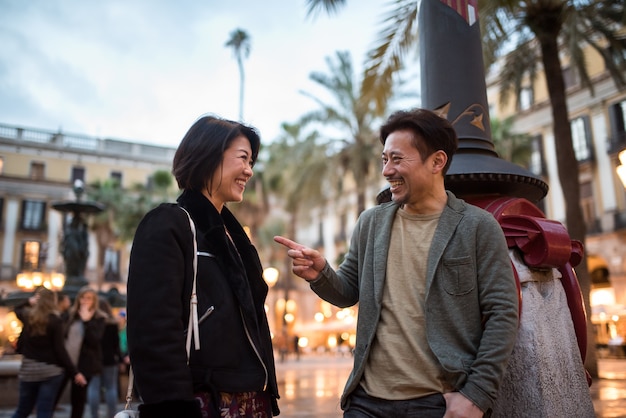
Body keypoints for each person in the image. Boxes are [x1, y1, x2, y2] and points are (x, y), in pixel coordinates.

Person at [274, 108, 519, 417]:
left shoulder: (477, 227)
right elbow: (348, 291)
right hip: (366, 402)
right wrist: (321, 272)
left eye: (398, 159)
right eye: (384, 159)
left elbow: (502, 313)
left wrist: (475, 396)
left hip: (438, 403)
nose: (387, 170)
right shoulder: (371, 223)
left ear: (437, 162)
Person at [127, 115, 280, 418]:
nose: (249, 171)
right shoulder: (169, 224)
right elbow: (154, 330)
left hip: (249, 402)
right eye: (243, 158)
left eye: (252, 161)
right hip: (203, 402)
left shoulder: (234, 238)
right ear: (209, 155)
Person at [12, 287, 87, 418]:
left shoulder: (28, 317)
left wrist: (29, 301)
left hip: (28, 370)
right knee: (44, 411)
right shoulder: (55, 320)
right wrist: (74, 372)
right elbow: (60, 350)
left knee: (22, 410)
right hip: (50, 372)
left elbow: (16, 309)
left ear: (38, 300)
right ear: (53, 301)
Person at [59, 286, 106, 418]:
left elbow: (94, 341)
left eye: (89, 298)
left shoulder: (99, 318)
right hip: (66, 362)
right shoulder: (70, 316)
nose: (85, 301)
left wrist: (87, 322)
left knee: (78, 401)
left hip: (84, 366)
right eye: (83, 298)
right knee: (54, 396)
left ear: (94, 301)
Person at [87, 299, 121, 418]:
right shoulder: (112, 324)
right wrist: (120, 358)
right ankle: (112, 415)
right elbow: (116, 344)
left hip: (94, 360)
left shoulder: (92, 323)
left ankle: (94, 415)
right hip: (110, 359)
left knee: (93, 388)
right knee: (111, 388)